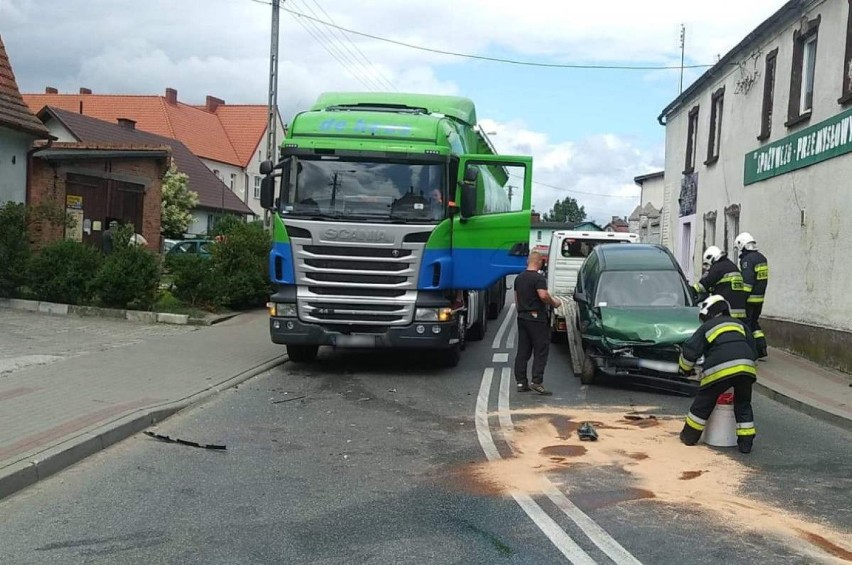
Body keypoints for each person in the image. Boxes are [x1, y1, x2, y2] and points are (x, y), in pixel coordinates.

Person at [678, 295, 759, 454]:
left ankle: (689, 436)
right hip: (746, 368)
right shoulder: (740, 325)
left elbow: (690, 352)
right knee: (743, 404)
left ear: (708, 313)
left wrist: (684, 370)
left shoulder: (707, 327)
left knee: (704, 401)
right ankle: (745, 444)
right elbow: (753, 350)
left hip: (720, 367)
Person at [513, 251, 562, 395]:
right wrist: (554, 303)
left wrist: (522, 311)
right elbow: (543, 295)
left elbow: (516, 299)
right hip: (536, 318)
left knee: (523, 351)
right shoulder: (538, 278)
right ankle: (537, 381)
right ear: (540, 262)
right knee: (541, 350)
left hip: (522, 317)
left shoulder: (519, 278)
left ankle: (521, 382)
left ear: (528, 261)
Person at [735, 232, 769, 359]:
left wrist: (741, 299)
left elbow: (747, 282)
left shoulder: (747, 260)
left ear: (742, 245)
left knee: (747, 325)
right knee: (754, 323)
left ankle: (750, 352)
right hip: (760, 299)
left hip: (749, 299)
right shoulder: (762, 258)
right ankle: (762, 349)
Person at [692, 245, 747, 320]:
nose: (707, 267)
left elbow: (703, 284)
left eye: (707, 264)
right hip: (740, 312)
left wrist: (691, 290)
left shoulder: (717, 267)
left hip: (726, 311)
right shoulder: (732, 266)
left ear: (711, 257)